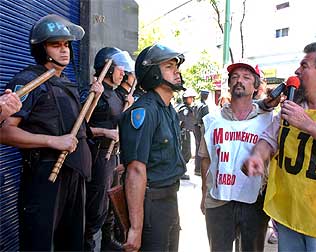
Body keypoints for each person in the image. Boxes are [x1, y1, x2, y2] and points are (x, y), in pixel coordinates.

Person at [0, 14, 103, 251]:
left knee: (72, 242)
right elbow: (5, 132)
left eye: (66, 45)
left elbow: (79, 128)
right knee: (40, 243)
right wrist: (53, 141)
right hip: (46, 176)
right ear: (41, 48)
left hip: (74, 173)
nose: (64, 50)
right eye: (56, 45)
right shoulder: (28, 80)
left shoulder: (65, 82)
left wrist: (95, 98)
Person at [243, 41, 316, 251]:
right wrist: (258, 156)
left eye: (304, 66)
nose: (296, 71)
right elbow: (269, 139)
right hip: (289, 216)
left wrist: (309, 125)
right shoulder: (294, 105)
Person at [199, 60, 273, 252]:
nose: (239, 80)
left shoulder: (269, 119)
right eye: (235, 77)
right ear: (229, 84)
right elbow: (206, 160)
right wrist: (203, 195)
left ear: (256, 86)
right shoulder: (212, 120)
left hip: (255, 201)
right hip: (218, 200)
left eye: (246, 77)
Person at [119, 43, 187, 252]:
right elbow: (136, 171)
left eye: (176, 65)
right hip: (151, 204)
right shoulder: (144, 111)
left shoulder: (168, 110)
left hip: (169, 199)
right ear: (153, 73)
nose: (176, 71)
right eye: (168, 66)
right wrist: (136, 228)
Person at [84, 47, 134, 251]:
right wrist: (105, 132)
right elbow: (80, 128)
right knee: (96, 206)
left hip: (113, 157)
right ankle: (87, 244)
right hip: (98, 156)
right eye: (120, 69)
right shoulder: (95, 93)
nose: (123, 73)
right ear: (109, 68)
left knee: (111, 202)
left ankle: (107, 242)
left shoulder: (115, 95)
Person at [178, 88, 197, 180]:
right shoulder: (184, 109)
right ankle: (180, 172)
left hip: (186, 133)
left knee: (187, 153)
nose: (192, 99)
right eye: (190, 98)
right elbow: (181, 121)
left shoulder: (188, 108)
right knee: (185, 153)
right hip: (184, 133)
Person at [194, 89, 209, 176]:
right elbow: (206, 119)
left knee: (198, 146)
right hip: (201, 127)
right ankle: (198, 169)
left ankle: (197, 168)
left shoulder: (196, 104)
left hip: (195, 126)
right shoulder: (204, 106)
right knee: (201, 148)